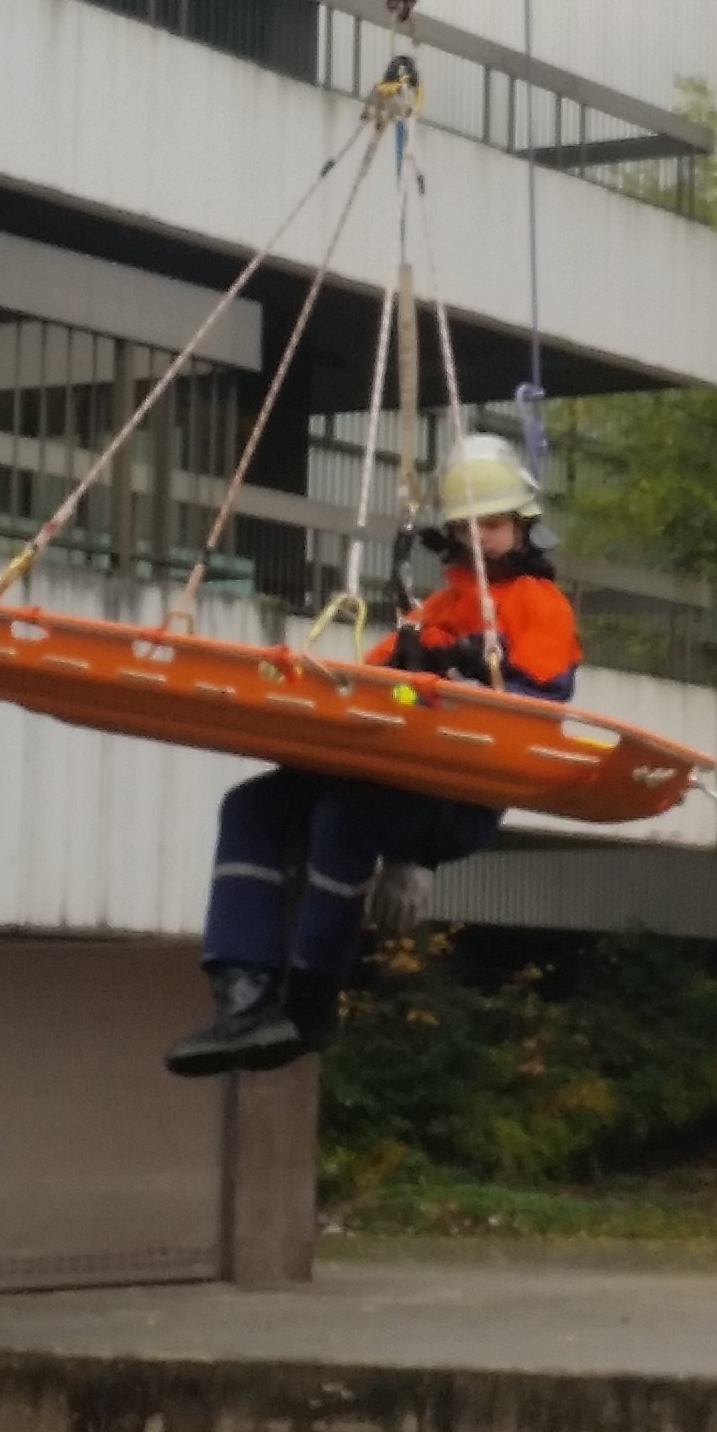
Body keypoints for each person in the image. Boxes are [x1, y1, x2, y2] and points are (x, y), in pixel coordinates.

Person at [167, 434, 580, 1075]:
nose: (478, 538)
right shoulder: (436, 609)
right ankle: (241, 993)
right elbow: (364, 688)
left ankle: (310, 998)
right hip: (395, 775)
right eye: (466, 525)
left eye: (493, 524)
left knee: (344, 819)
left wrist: (468, 675)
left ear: (523, 528)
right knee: (253, 807)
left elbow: (538, 700)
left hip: (457, 791)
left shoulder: (537, 606)